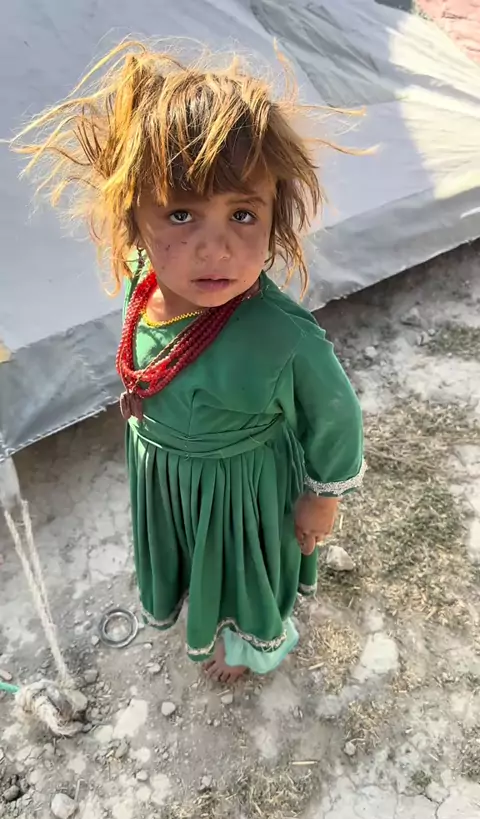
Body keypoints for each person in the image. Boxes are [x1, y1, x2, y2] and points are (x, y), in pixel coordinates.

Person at [14, 40, 365, 683]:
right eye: (181, 213)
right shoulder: (143, 279)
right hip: (168, 478)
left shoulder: (280, 335)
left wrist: (323, 501)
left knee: (238, 566)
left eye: (242, 213)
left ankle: (246, 643)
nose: (214, 248)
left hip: (240, 491)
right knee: (191, 554)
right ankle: (200, 609)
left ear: (275, 217)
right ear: (133, 218)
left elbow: (336, 416)